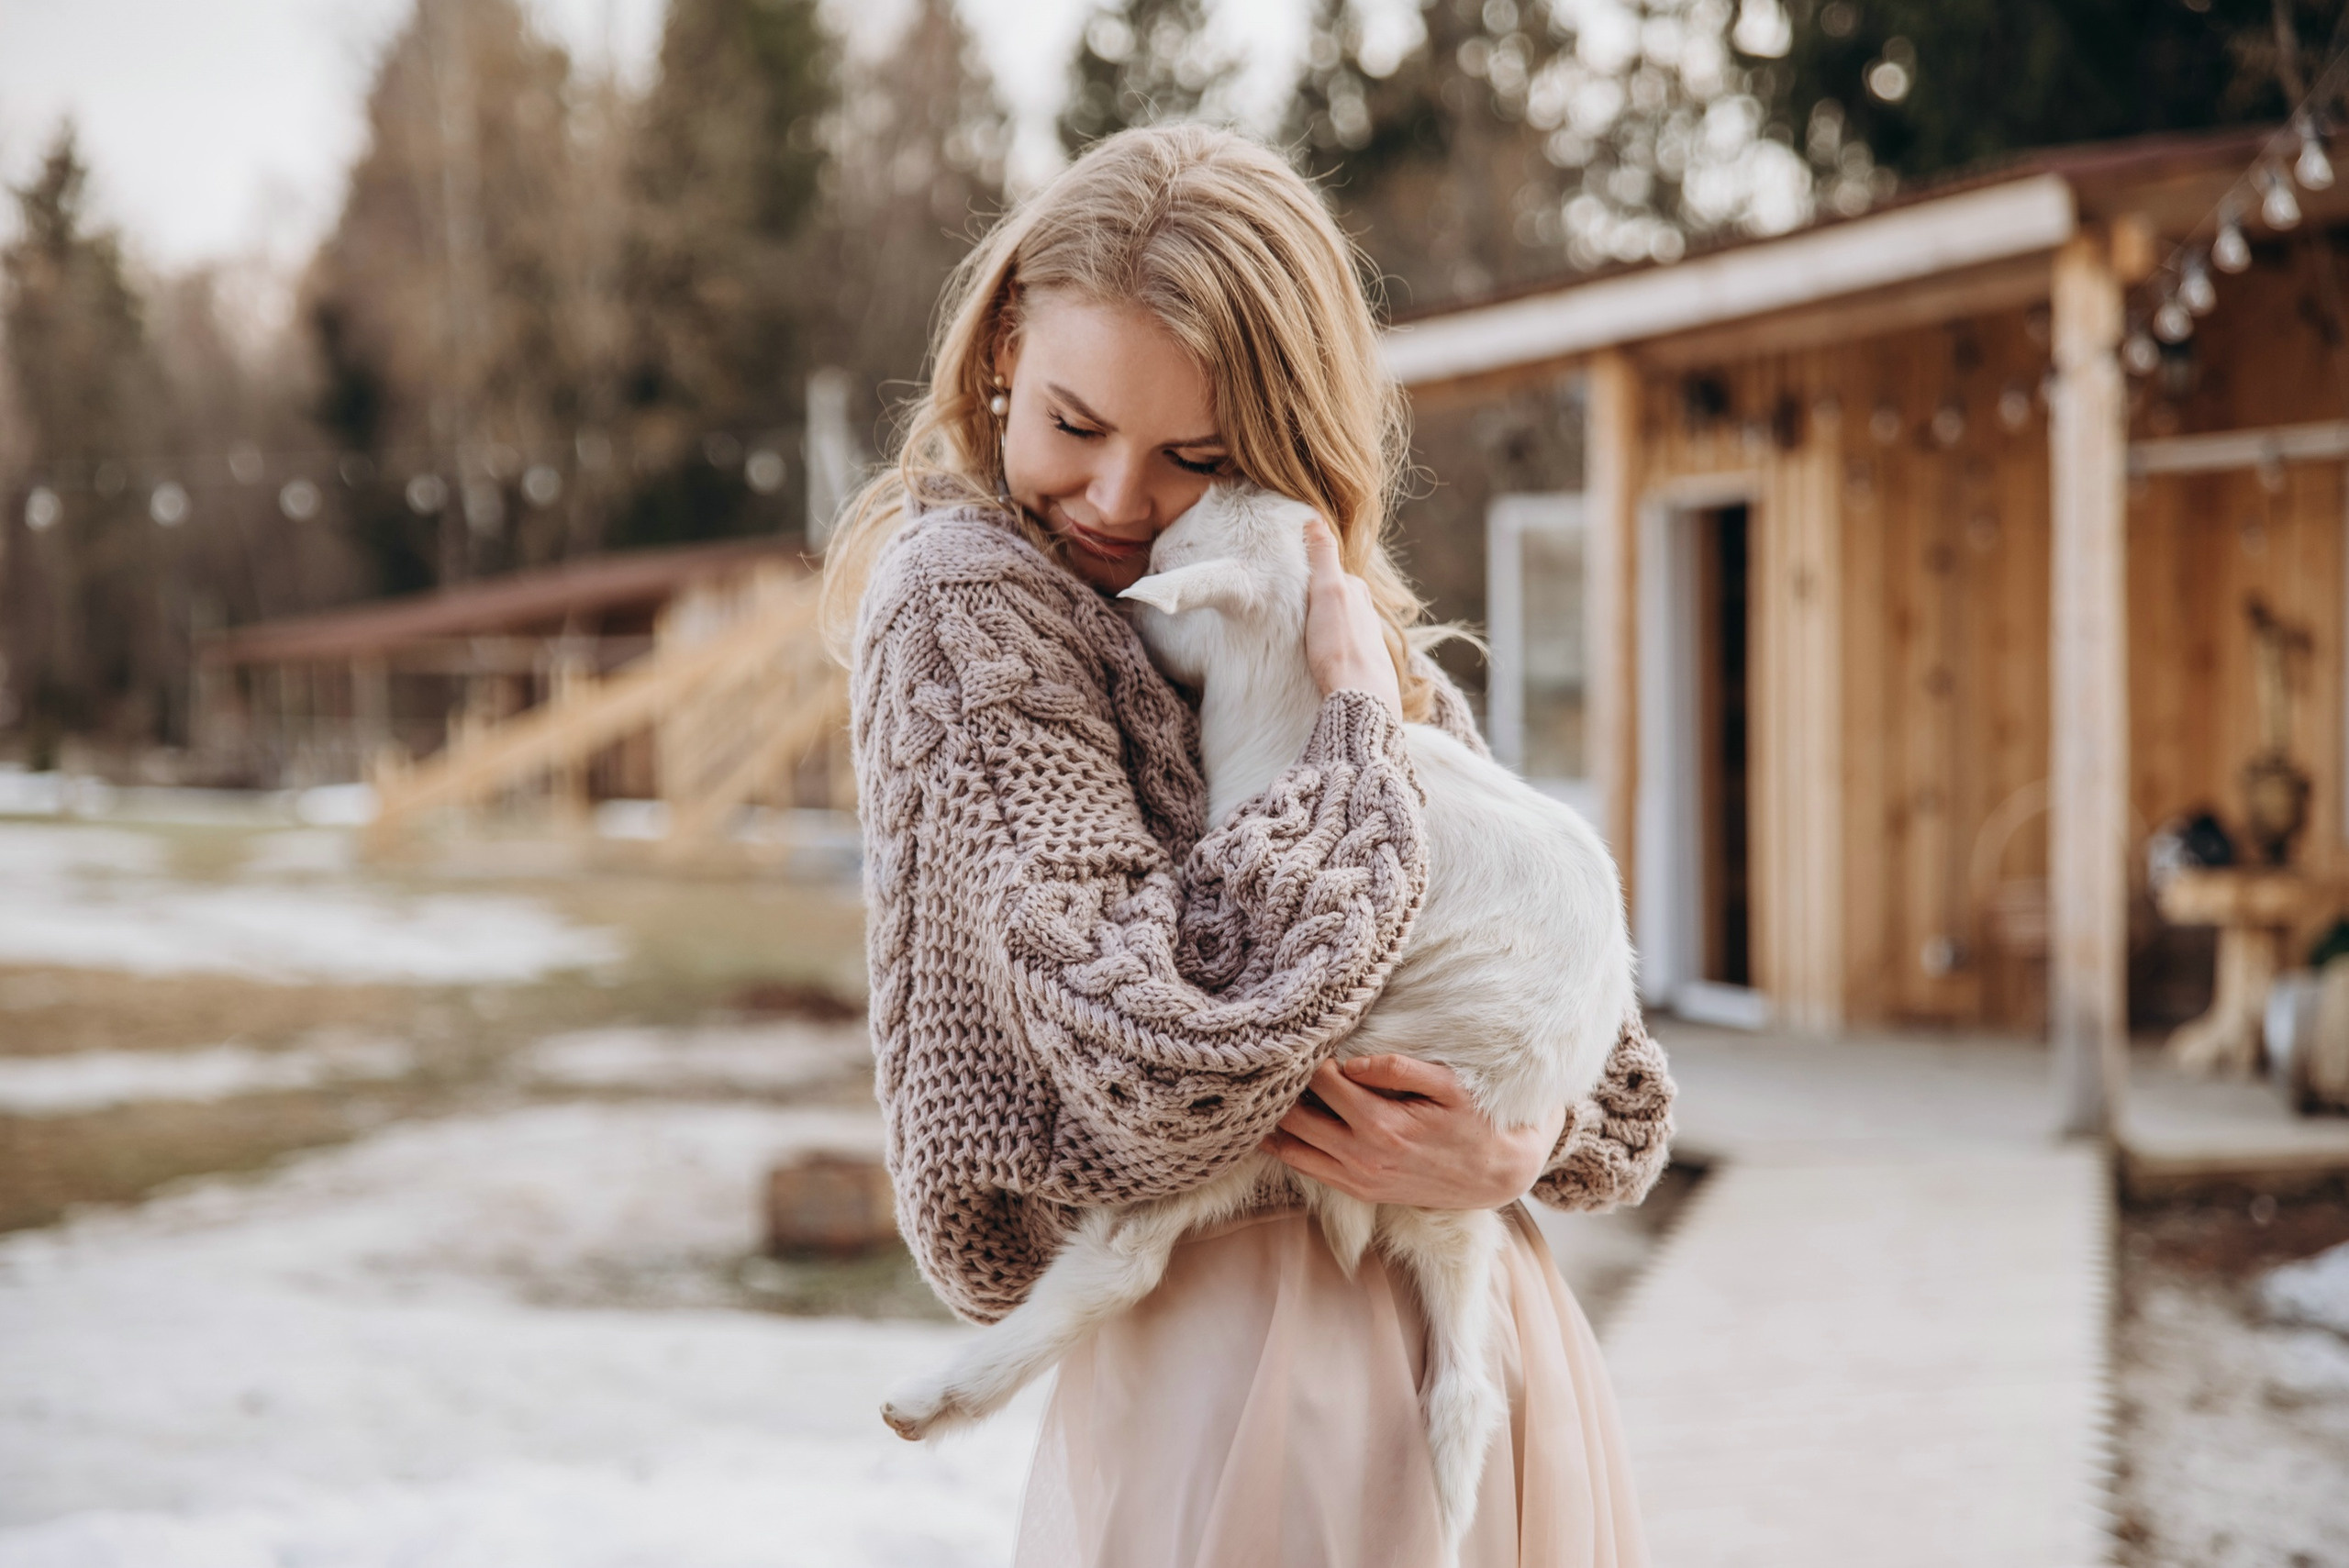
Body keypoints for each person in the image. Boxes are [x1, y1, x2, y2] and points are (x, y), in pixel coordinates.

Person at [820, 122, 1674, 1568]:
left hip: (1484, 1354)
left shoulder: (1327, 611)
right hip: (1240, 1361)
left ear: (1276, 452)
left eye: (1192, 457)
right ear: (1003, 353)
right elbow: (1151, 1061)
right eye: (1074, 424)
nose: (1112, 501)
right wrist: (1346, 733)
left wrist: (1514, 1140)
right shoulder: (973, 613)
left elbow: (1625, 1087)